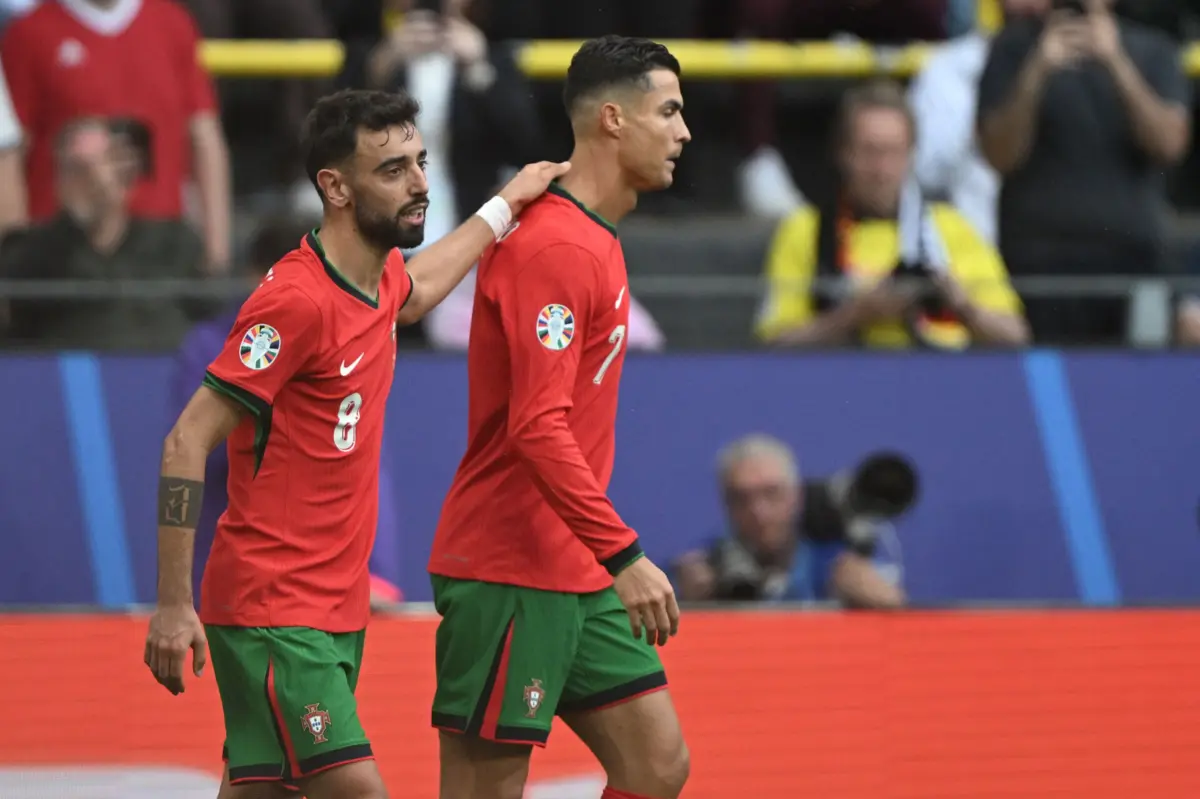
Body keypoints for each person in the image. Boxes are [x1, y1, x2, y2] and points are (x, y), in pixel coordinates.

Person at [142, 87, 568, 799]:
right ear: (334, 187)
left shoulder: (377, 278)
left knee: (263, 789)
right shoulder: (296, 301)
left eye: (421, 162)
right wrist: (170, 603)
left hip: (335, 606)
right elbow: (186, 439)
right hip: (272, 603)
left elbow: (421, 286)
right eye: (393, 169)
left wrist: (505, 205)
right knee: (358, 789)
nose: (420, 183)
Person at [428, 36, 692, 799]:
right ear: (613, 119)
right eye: (668, 111)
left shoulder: (595, 239)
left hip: (570, 565)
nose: (684, 133)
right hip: (510, 563)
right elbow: (536, 427)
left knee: (656, 765)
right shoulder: (555, 249)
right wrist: (625, 554)